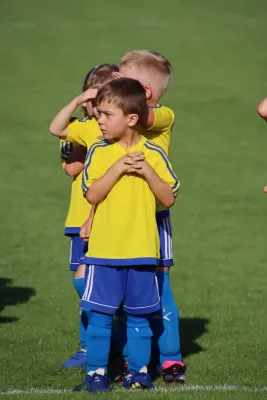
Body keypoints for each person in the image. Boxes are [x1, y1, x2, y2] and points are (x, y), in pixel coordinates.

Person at [73, 78, 180, 392]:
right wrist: (118, 167)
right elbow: (92, 195)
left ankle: (138, 372)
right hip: (104, 252)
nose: (99, 120)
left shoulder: (154, 155)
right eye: (99, 114)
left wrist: (146, 171)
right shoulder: (99, 153)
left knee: (139, 319)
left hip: (142, 250)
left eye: (107, 115)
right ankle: (95, 374)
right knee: (100, 317)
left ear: (131, 119)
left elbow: (169, 196)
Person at [114, 50, 185, 384]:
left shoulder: (164, 115)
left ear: (143, 92)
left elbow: (139, 117)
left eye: (121, 78)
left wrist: (112, 95)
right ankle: (134, 358)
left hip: (154, 216)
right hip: (122, 215)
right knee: (127, 289)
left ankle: (170, 358)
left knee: (160, 285)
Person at [50, 64, 119, 367]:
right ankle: (88, 346)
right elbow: (71, 168)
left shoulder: (123, 129)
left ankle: (113, 341)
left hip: (114, 216)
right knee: (85, 287)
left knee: (112, 282)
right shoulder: (81, 127)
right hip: (82, 218)